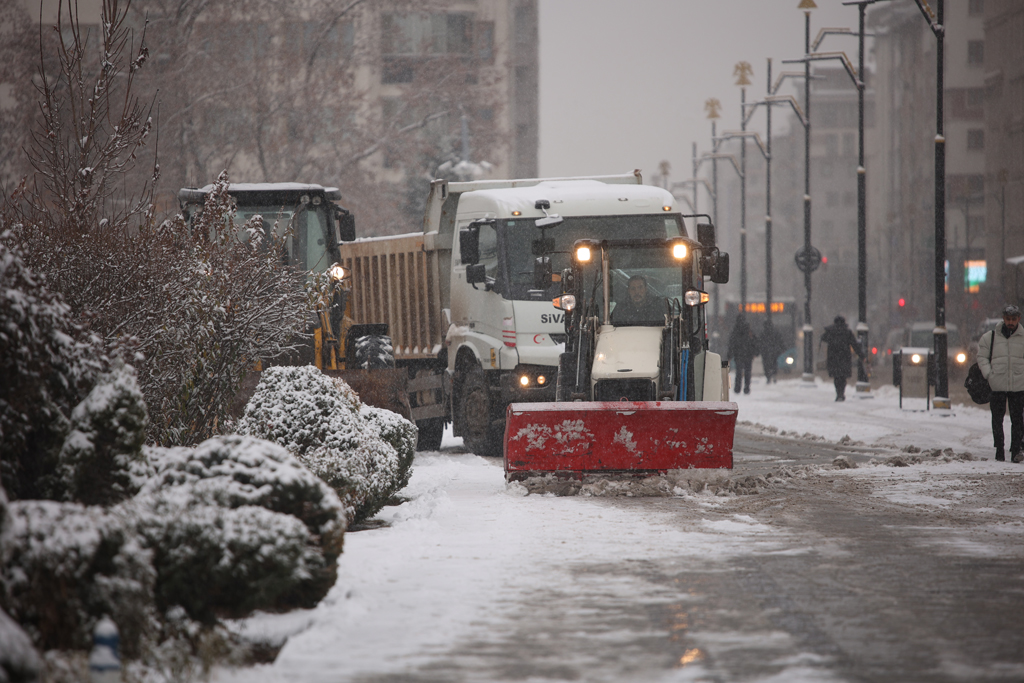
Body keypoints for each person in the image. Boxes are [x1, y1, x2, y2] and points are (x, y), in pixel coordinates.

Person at [978, 304, 1024, 462]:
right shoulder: (990, 337)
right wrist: (989, 374)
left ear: (1018, 319)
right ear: (1003, 318)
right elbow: (982, 357)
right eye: (1008, 319)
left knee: (1017, 420)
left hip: (1018, 385)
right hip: (997, 384)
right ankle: (999, 449)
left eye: (1013, 319)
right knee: (997, 419)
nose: (1010, 322)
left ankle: (1016, 450)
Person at [820, 315, 864, 401]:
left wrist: (829, 330)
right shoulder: (847, 332)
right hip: (844, 358)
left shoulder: (831, 331)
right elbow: (854, 345)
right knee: (843, 377)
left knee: (836, 377)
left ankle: (839, 393)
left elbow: (823, 338)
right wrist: (862, 356)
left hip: (833, 358)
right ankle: (841, 393)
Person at [727, 314, 759, 394]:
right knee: (747, 372)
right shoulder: (749, 330)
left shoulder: (735, 330)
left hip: (738, 355)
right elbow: (755, 342)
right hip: (748, 355)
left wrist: (729, 355)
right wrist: (755, 352)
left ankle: (737, 388)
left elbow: (732, 344)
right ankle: (747, 388)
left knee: (739, 372)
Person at [760, 319, 785, 384]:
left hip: (765, 352)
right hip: (774, 351)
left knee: (766, 364)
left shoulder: (763, 333)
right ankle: (774, 374)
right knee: (774, 363)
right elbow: (780, 340)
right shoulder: (775, 332)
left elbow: (759, 343)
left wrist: (760, 350)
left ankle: (768, 376)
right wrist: (782, 348)